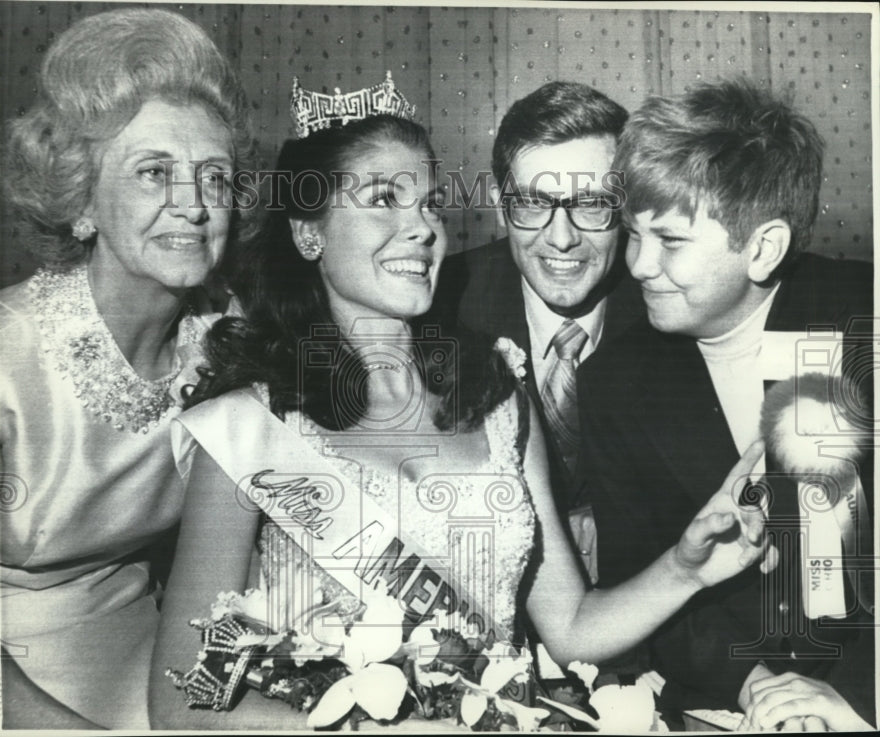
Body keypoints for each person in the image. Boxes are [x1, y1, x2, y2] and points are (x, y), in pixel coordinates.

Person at [149, 76, 774, 730]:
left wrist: (687, 568)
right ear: (309, 234)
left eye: (428, 203)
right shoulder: (247, 426)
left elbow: (568, 626)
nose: (420, 228)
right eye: (385, 199)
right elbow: (182, 699)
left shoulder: (495, 393)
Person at [576, 78, 874, 730]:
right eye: (632, 234)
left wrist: (860, 693)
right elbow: (642, 584)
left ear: (763, 248)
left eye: (671, 241)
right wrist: (756, 688)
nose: (639, 265)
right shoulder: (612, 384)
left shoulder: (866, 321)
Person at [0, 8, 254, 729]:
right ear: (82, 201)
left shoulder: (233, 341)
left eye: (214, 176)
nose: (193, 205)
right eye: (154, 172)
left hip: (156, 674)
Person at [429, 81, 644, 583]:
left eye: (592, 204)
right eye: (532, 205)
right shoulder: (439, 311)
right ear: (503, 206)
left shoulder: (671, 308)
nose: (562, 237)